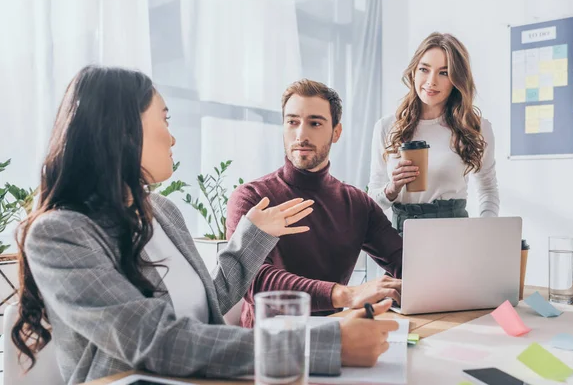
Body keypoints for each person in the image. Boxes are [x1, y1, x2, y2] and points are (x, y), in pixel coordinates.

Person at [11, 66, 398, 384]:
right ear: (123, 132)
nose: (173, 136)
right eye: (163, 119)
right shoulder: (58, 235)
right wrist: (323, 342)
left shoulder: (161, 211)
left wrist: (253, 237)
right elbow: (156, 340)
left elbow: (206, 305)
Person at [227, 79, 404, 328]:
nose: (301, 135)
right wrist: (347, 294)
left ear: (336, 132)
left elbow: (402, 260)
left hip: (338, 336)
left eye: (315, 123)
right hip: (267, 347)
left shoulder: (357, 203)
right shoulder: (251, 197)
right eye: (292, 122)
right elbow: (251, 280)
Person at [368, 32, 499, 235]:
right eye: (424, 69)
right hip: (400, 240)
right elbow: (372, 203)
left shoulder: (475, 127)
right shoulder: (387, 126)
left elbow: (488, 191)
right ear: (413, 72)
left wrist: (483, 235)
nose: (431, 81)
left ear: (457, 79)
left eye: (444, 73)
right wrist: (391, 189)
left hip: (454, 237)